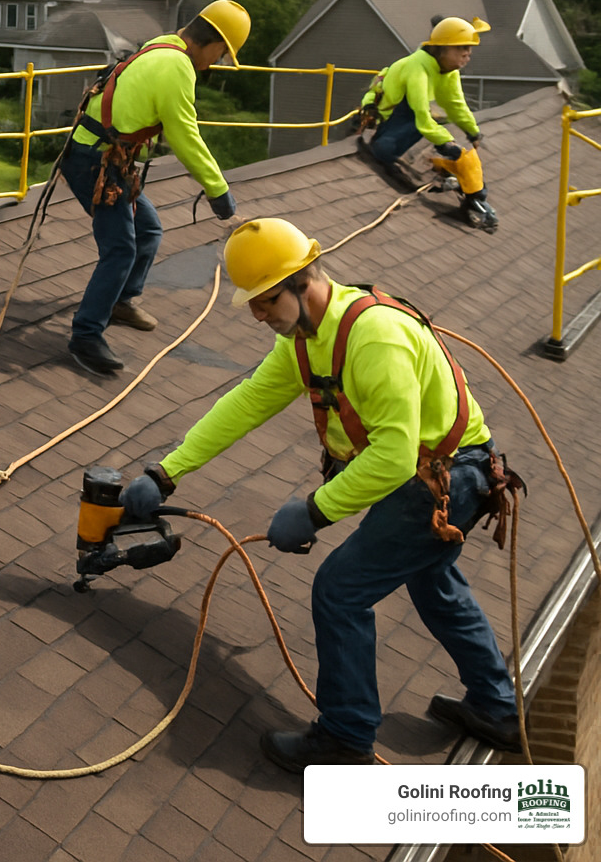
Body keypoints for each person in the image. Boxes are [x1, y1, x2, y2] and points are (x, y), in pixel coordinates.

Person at [120, 218, 522, 771]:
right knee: (434, 582)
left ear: (303, 282)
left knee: (340, 591)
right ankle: (497, 708)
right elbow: (248, 401)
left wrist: (314, 511)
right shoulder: (308, 337)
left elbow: (393, 456)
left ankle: (345, 739)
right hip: (426, 473)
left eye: (265, 302)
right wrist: (168, 471)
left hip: (445, 475)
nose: (259, 316)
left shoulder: (374, 337)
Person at [59, 0, 249, 376]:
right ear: (211, 43)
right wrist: (220, 195)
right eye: (222, 54)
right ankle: (85, 335)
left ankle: (121, 300)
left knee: (148, 230)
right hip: (93, 161)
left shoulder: (165, 44)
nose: (218, 62)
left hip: (103, 156)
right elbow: (185, 136)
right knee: (120, 248)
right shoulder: (177, 67)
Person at [360, 15, 497, 231]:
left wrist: (473, 132)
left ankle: (471, 192)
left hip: (408, 119)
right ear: (442, 49)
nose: (467, 55)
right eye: (462, 48)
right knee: (393, 146)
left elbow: (455, 103)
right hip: (387, 122)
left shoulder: (447, 71)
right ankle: (383, 149)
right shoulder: (418, 68)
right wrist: (447, 144)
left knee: (439, 124)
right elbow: (421, 116)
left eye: (469, 50)